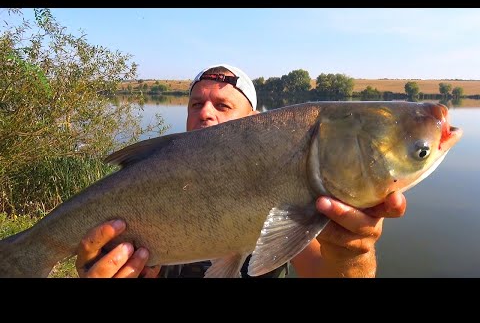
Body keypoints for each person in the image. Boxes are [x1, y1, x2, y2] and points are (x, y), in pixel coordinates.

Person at [75, 64, 407, 278]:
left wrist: (354, 250)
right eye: (196, 104)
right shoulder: (150, 183)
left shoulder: (281, 188)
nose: (205, 113)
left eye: (222, 105)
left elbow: (327, 272)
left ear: (253, 122)